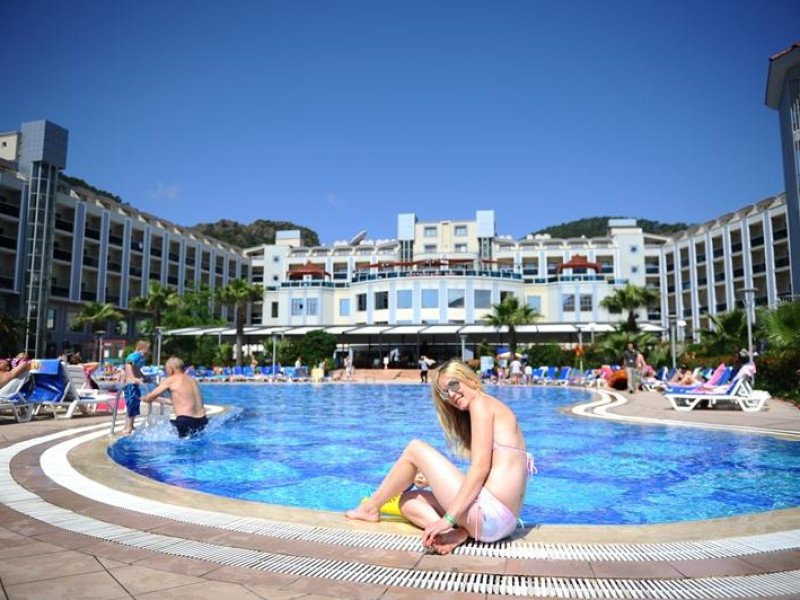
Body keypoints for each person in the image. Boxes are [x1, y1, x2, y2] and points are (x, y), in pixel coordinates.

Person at [346, 359, 535, 555]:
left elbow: (480, 469)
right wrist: (432, 481)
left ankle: (370, 508)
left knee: (415, 448)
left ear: (470, 379)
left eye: (453, 385)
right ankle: (457, 533)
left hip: (489, 516)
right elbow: (490, 476)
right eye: (445, 393)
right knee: (408, 501)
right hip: (503, 524)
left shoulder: (481, 404)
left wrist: (448, 519)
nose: (451, 395)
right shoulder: (494, 407)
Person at [141, 356, 208, 438]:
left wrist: (145, 398)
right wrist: (157, 399)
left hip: (185, 421)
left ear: (171, 369)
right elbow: (179, 402)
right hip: (202, 421)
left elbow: (150, 397)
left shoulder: (171, 380)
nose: (167, 373)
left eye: (166, 370)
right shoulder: (192, 380)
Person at [122, 341, 150, 435]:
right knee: (131, 404)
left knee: (135, 404)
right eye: (147, 349)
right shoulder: (135, 356)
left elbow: (137, 369)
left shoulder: (140, 357)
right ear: (140, 348)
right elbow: (128, 365)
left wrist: (145, 377)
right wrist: (133, 378)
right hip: (130, 384)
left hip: (135, 384)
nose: (148, 352)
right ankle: (128, 427)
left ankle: (130, 425)